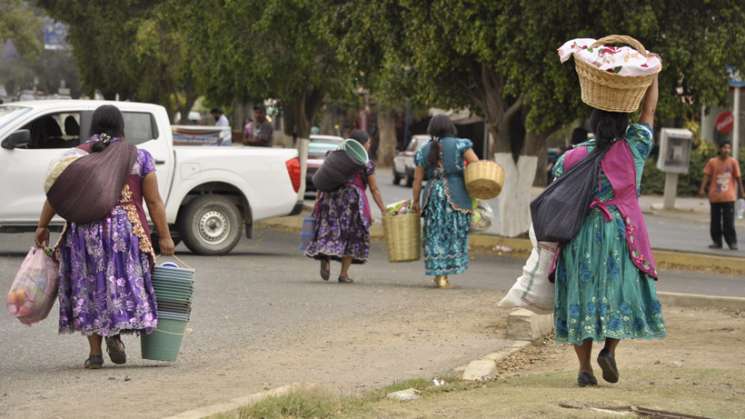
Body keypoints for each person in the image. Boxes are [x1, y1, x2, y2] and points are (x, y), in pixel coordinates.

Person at [35, 105, 176, 369]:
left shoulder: (74, 156)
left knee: (88, 287)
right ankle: (115, 332)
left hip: (83, 231)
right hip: (124, 231)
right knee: (117, 283)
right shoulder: (139, 157)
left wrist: (42, 226)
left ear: (93, 127)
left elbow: (55, 196)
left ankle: (95, 354)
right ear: (121, 126)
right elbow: (154, 202)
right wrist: (165, 237)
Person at [551, 76, 666, 387]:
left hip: (580, 233)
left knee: (580, 294)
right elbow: (650, 111)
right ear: (624, 125)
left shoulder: (571, 158)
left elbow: (558, 196)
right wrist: (653, 75)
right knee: (620, 291)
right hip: (620, 231)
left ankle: (584, 369)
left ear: (593, 123)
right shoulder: (635, 149)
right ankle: (610, 351)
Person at [304, 130, 385, 283]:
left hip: (331, 198)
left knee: (329, 230)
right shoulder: (365, 163)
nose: (369, 145)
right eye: (368, 143)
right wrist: (383, 209)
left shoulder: (334, 155)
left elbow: (324, 178)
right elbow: (374, 189)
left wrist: (317, 200)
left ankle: (325, 258)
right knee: (351, 235)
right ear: (362, 145)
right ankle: (343, 274)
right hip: (352, 202)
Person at [412, 114, 479, 288]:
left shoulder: (424, 150)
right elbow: (477, 165)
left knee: (434, 233)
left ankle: (439, 275)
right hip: (456, 194)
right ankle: (446, 274)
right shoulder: (461, 144)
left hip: (433, 195)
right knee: (453, 232)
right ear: (450, 127)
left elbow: (417, 180)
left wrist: (415, 202)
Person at [698, 141, 744, 250]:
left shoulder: (733, 162)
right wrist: (702, 189)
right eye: (724, 148)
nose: (726, 150)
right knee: (715, 221)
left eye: (728, 148)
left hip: (729, 197)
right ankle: (717, 242)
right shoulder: (712, 162)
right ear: (719, 149)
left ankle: (732, 242)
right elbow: (706, 176)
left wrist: (742, 191)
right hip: (715, 196)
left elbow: (738, 177)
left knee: (729, 221)